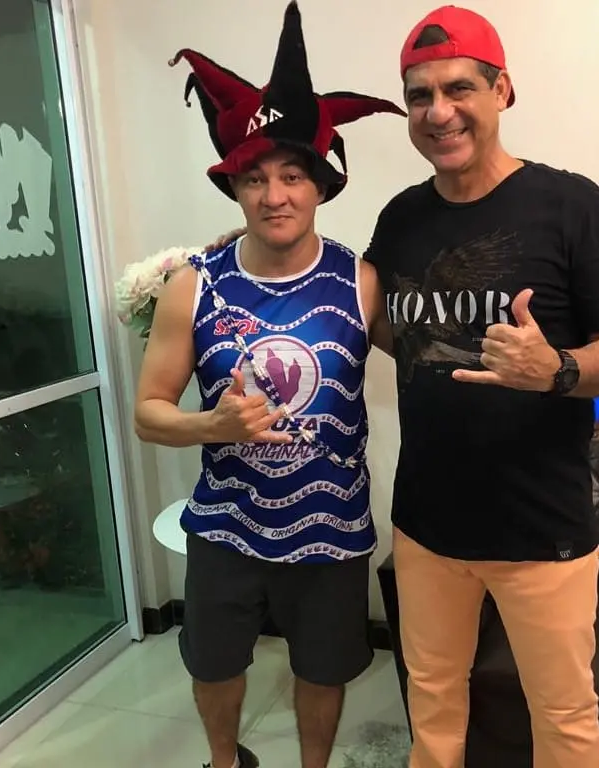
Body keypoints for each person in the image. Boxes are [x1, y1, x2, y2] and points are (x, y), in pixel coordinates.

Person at [211, 6, 599, 768]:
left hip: (540, 530)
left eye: (458, 89)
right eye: (420, 95)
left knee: (564, 717)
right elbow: (368, 317)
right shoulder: (403, 219)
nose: (439, 112)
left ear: (502, 90)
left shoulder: (572, 206)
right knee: (433, 704)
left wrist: (563, 371)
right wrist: (246, 262)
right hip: (425, 528)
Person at [132, 4, 404, 768]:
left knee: (324, 670)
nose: (273, 194)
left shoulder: (361, 281)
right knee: (213, 664)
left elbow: (437, 367)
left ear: (318, 186)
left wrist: (569, 384)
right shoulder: (194, 285)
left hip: (332, 527)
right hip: (226, 526)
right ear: (236, 189)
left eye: (290, 175)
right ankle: (226, 761)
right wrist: (211, 427)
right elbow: (148, 413)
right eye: (254, 178)